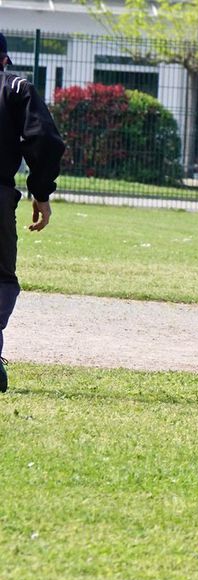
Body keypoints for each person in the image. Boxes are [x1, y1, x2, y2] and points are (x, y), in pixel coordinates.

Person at [0, 33, 66, 393]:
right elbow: (46, 139)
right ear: (5, 59)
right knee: (1, 279)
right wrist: (40, 191)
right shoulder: (16, 87)